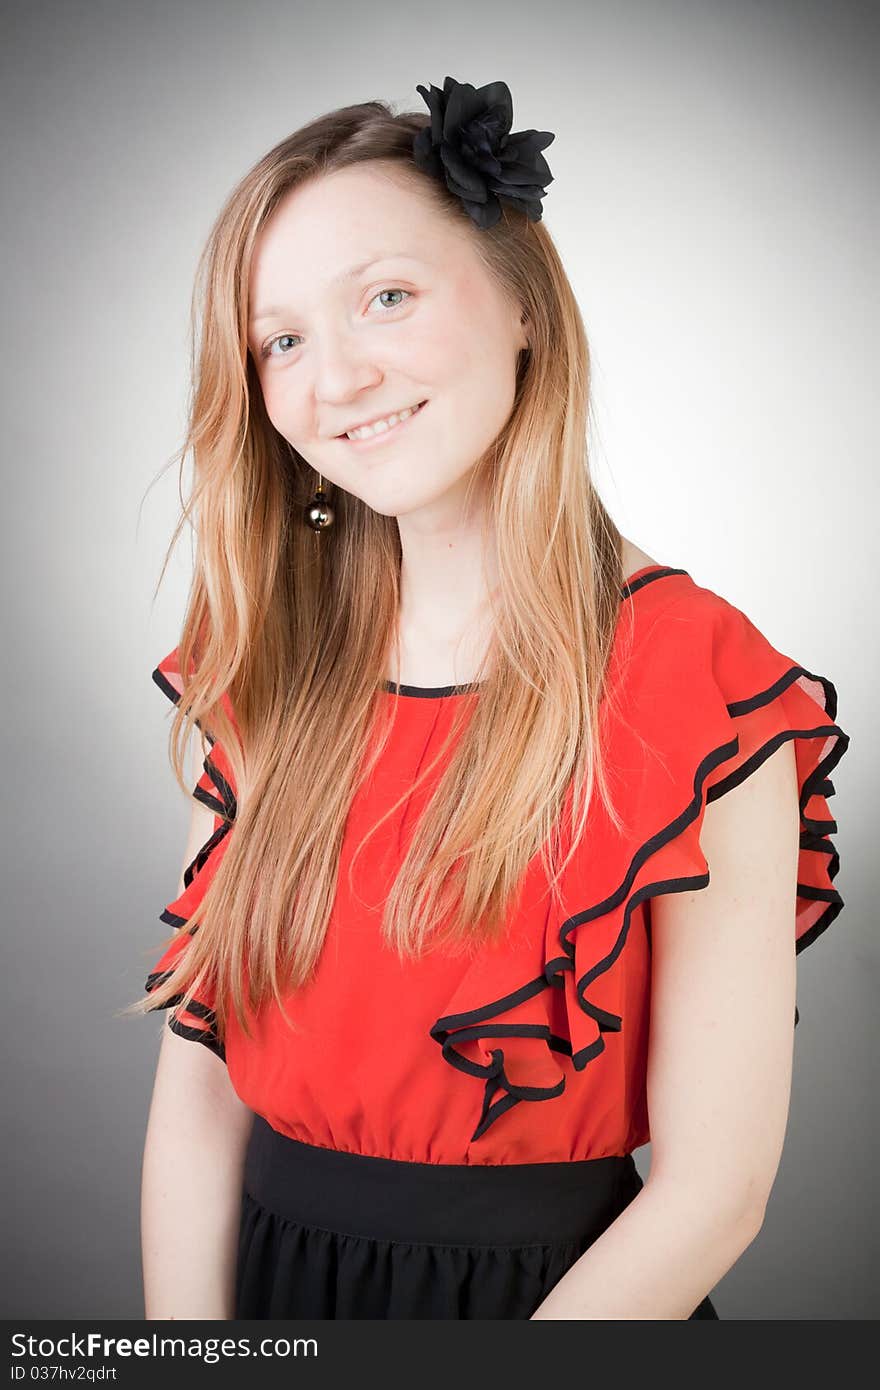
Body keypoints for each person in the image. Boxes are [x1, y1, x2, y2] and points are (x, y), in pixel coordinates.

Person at [133, 76, 850, 1320]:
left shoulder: (702, 681)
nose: (336, 377)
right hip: (268, 1294)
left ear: (523, 304)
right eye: (280, 339)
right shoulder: (265, 667)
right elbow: (199, 1101)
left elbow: (715, 1190)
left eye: (386, 298)